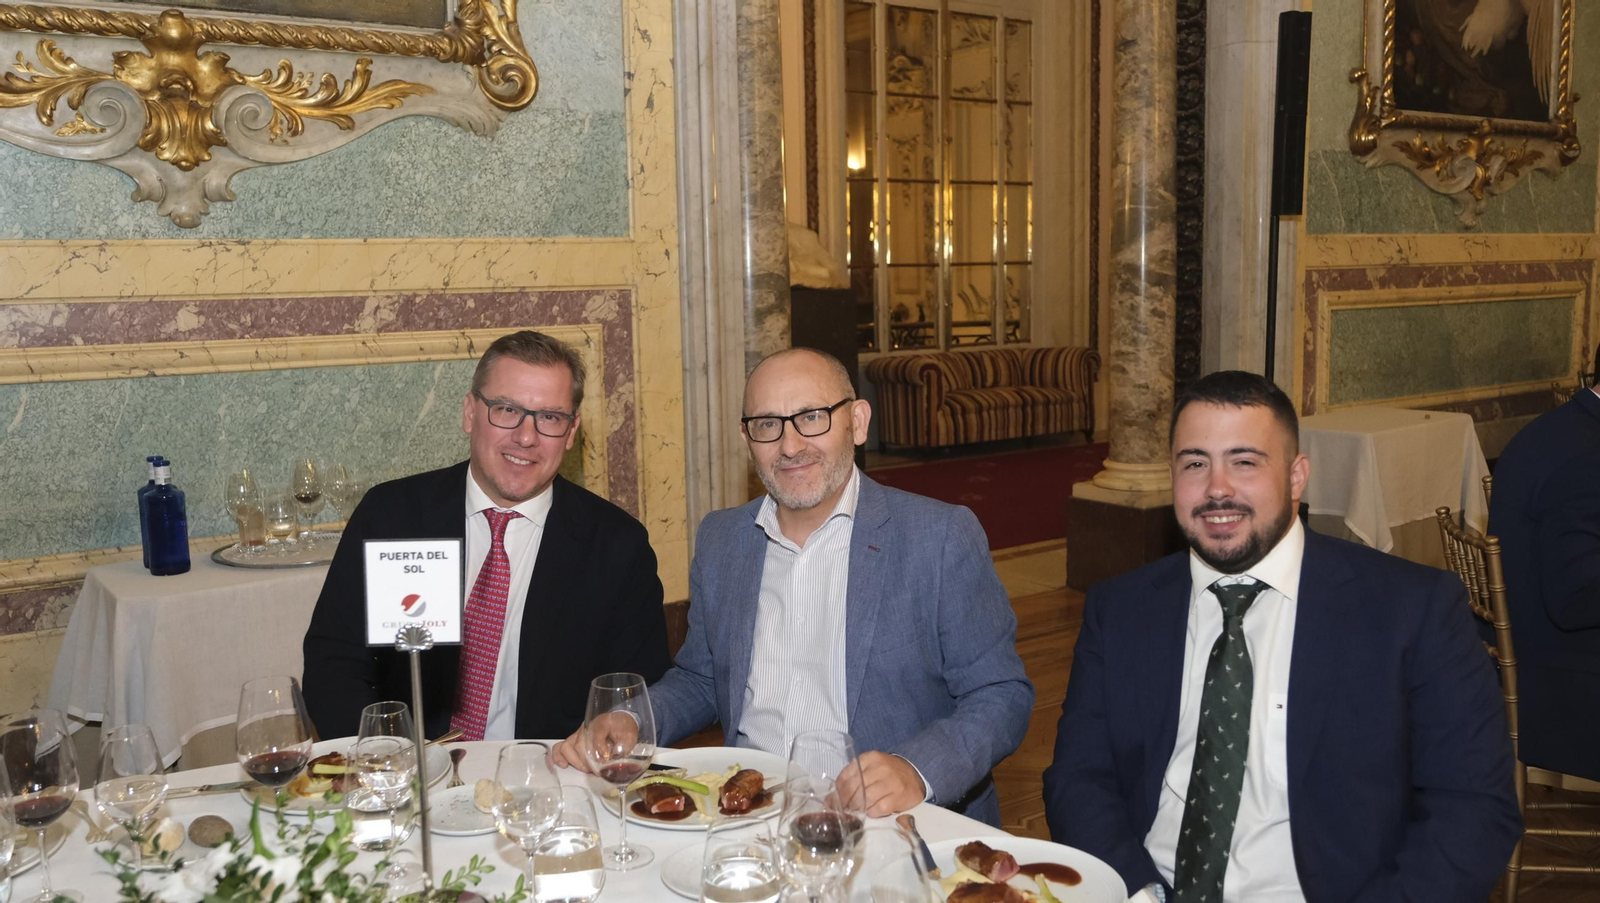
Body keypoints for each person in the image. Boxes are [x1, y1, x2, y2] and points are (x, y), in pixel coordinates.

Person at [1043, 370, 1520, 902]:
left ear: (1297, 477)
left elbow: (1474, 807)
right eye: (1195, 463)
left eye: (1244, 462)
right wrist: (1136, 893)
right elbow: (1078, 779)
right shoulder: (1122, 609)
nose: (1216, 488)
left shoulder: (1412, 609)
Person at [553, 347, 1033, 826]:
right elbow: (702, 679)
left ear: (858, 422)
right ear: (747, 437)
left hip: (887, 823)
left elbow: (1001, 693)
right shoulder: (723, 540)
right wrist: (633, 718)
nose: (789, 445)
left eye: (812, 417)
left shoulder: (939, 537)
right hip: (746, 814)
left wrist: (916, 768)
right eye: (767, 424)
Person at [302, 330, 670, 741]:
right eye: (507, 409)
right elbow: (333, 664)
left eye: (550, 417)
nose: (526, 437)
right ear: (469, 413)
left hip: (550, 782)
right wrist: (386, 756)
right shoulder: (392, 517)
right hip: (407, 774)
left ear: (571, 432)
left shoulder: (618, 548)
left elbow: (634, 699)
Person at [1487, 343, 1600, 781]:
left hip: (1527, 654)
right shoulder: (1587, 459)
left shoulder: (1561, 429)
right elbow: (1574, 600)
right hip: (1561, 688)